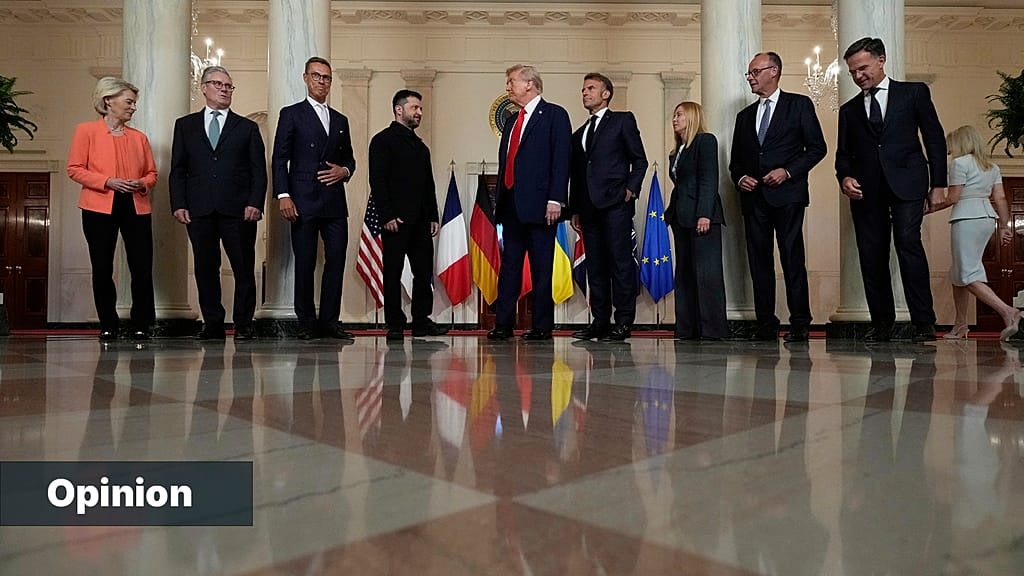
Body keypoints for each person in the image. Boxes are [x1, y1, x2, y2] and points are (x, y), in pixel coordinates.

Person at [836, 37, 947, 342]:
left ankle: (924, 322)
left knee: (908, 244)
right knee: (871, 255)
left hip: (908, 183)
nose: (858, 76)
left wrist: (938, 184)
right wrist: (844, 178)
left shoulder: (913, 93)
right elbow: (843, 155)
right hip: (866, 191)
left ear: (881, 60)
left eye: (863, 68)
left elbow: (934, 137)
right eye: (853, 72)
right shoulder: (848, 110)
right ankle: (882, 324)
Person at [729, 52, 827, 342]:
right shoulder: (744, 116)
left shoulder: (799, 105)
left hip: (788, 196)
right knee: (759, 263)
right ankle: (765, 324)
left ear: (773, 71)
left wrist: (787, 171)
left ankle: (800, 323)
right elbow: (735, 162)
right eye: (749, 73)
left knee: (792, 259)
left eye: (755, 72)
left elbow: (817, 148)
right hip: (754, 199)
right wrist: (740, 178)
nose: (750, 78)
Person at [169, 66, 267, 341]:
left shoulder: (247, 127)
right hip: (199, 209)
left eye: (228, 86)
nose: (224, 89)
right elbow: (178, 169)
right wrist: (178, 203)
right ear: (203, 88)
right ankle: (212, 324)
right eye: (218, 84)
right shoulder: (185, 126)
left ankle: (243, 325)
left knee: (243, 269)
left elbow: (259, 171)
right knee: (205, 268)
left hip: (239, 210)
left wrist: (255, 202)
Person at [272, 56, 357, 341]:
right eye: (317, 76)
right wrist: (284, 195)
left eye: (326, 77)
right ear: (306, 78)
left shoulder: (341, 120)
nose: (322, 81)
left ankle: (330, 322)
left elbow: (350, 159)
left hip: (335, 203)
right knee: (305, 262)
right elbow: (279, 158)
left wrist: (344, 171)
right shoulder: (291, 114)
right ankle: (306, 323)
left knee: (336, 261)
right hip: (302, 201)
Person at [67, 76, 157, 341]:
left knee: (142, 267)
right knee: (102, 267)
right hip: (98, 207)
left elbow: (152, 173)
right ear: (108, 101)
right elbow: (74, 169)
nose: (133, 107)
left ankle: (142, 325)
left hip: (136, 205)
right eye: (129, 102)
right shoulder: (86, 131)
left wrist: (142, 183)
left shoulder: (139, 138)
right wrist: (107, 181)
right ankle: (108, 324)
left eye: (134, 103)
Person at [487, 64, 572, 342]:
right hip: (511, 207)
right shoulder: (512, 121)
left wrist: (556, 199)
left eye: (511, 81)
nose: (507, 87)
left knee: (541, 269)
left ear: (529, 84)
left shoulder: (555, 115)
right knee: (509, 268)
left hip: (541, 207)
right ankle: (503, 324)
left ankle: (542, 326)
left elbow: (561, 160)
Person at [568, 73, 648, 342]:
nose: (585, 93)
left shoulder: (622, 120)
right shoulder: (579, 133)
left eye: (591, 88)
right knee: (596, 267)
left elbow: (639, 160)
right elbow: (577, 174)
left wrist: (630, 190)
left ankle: (623, 322)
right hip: (588, 209)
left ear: (606, 94)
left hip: (615, 205)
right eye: (583, 89)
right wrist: (575, 209)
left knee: (620, 264)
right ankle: (600, 322)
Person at [368, 89, 448, 341]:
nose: (419, 112)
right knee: (392, 272)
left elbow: (428, 184)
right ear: (399, 109)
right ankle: (395, 323)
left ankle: (421, 321)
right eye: (415, 108)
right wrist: (387, 215)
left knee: (423, 273)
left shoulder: (421, 147)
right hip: (395, 221)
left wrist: (433, 215)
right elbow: (378, 181)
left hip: (421, 221)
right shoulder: (382, 141)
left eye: (420, 108)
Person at [929, 125, 1021, 341]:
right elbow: (1000, 198)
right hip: (986, 218)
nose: (949, 150)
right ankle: (960, 325)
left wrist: (925, 210)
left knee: (966, 274)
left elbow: (952, 198)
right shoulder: (992, 167)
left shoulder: (959, 163)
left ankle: (1008, 312)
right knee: (958, 273)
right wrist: (1004, 226)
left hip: (966, 218)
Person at [663, 102, 728, 340]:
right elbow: (680, 187)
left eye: (679, 115)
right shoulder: (676, 152)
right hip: (681, 219)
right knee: (685, 274)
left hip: (702, 217)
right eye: (674, 115)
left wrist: (704, 213)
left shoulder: (705, 141)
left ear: (692, 117)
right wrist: (668, 215)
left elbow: (709, 178)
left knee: (706, 274)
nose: (675, 119)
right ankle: (687, 328)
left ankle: (712, 330)